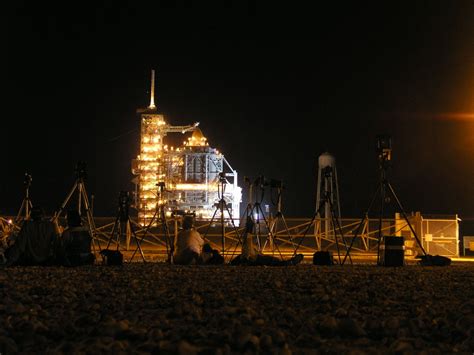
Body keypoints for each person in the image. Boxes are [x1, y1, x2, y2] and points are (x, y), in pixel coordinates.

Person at [230, 216, 304, 266]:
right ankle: (290, 262)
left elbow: (246, 250)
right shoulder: (247, 256)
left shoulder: (245, 256)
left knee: (248, 249)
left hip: (252, 258)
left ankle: (248, 230)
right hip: (253, 258)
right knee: (249, 250)